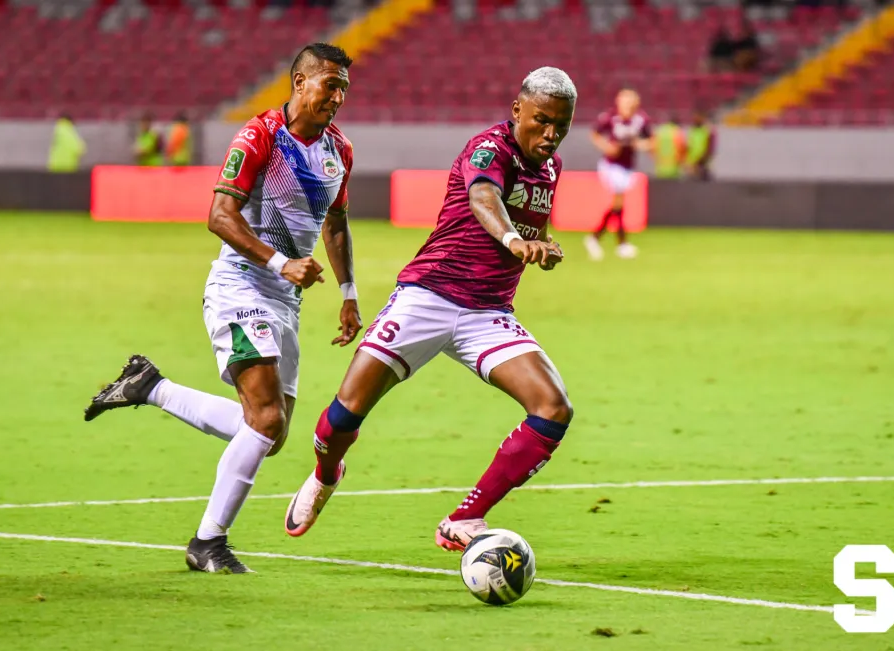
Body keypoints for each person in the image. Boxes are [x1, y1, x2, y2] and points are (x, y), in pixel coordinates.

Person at [83, 43, 359, 574]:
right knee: (266, 420)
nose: (338, 96)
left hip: (286, 299)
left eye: (344, 86)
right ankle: (208, 542)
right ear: (299, 83)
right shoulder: (259, 135)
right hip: (241, 286)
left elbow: (337, 223)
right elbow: (219, 215)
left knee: (269, 434)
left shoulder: (339, 151)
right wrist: (282, 263)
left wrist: (348, 295)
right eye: (330, 83)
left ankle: (150, 387)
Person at [282, 67, 575, 553]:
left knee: (553, 408)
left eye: (560, 126)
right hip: (429, 296)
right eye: (541, 120)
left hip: (488, 312)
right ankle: (325, 473)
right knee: (345, 414)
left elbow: (526, 228)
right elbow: (484, 197)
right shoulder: (489, 149)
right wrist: (513, 239)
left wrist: (541, 246)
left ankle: (466, 518)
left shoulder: (551, 167)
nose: (549, 135)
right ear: (516, 109)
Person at [583, 89, 653, 261]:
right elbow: (595, 133)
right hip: (611, 165)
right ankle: (620, 244)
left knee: (618, 205)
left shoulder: (640, 120)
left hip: (628, 166)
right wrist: (606, 147)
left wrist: (642, 145)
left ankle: (596, 238)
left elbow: (651, 140)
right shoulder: (610, 117)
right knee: (619, 201)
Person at [685, 110, 716, 181]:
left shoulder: (709, 130)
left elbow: (711, 148)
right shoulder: (692, 130)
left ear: (703, 117)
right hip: (693, 166)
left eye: (697, 117)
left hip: (703, 165)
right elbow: (690, 147)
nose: (695, 119)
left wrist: (702, 161)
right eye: (694, 117)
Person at [653, 115, 686, 179]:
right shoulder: (677, 131)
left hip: (661, 166)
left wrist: (656, 158)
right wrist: (682, 161)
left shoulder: (661, 130)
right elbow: (681, 147)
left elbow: (654, 146)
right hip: (673, 166)